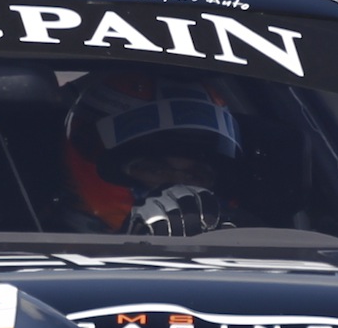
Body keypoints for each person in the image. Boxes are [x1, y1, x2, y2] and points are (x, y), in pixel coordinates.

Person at [59, 73, 248, 236]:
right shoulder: (43, 241)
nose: (176, 185)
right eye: (155, 170)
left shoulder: (251, 244)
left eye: (195, 175)